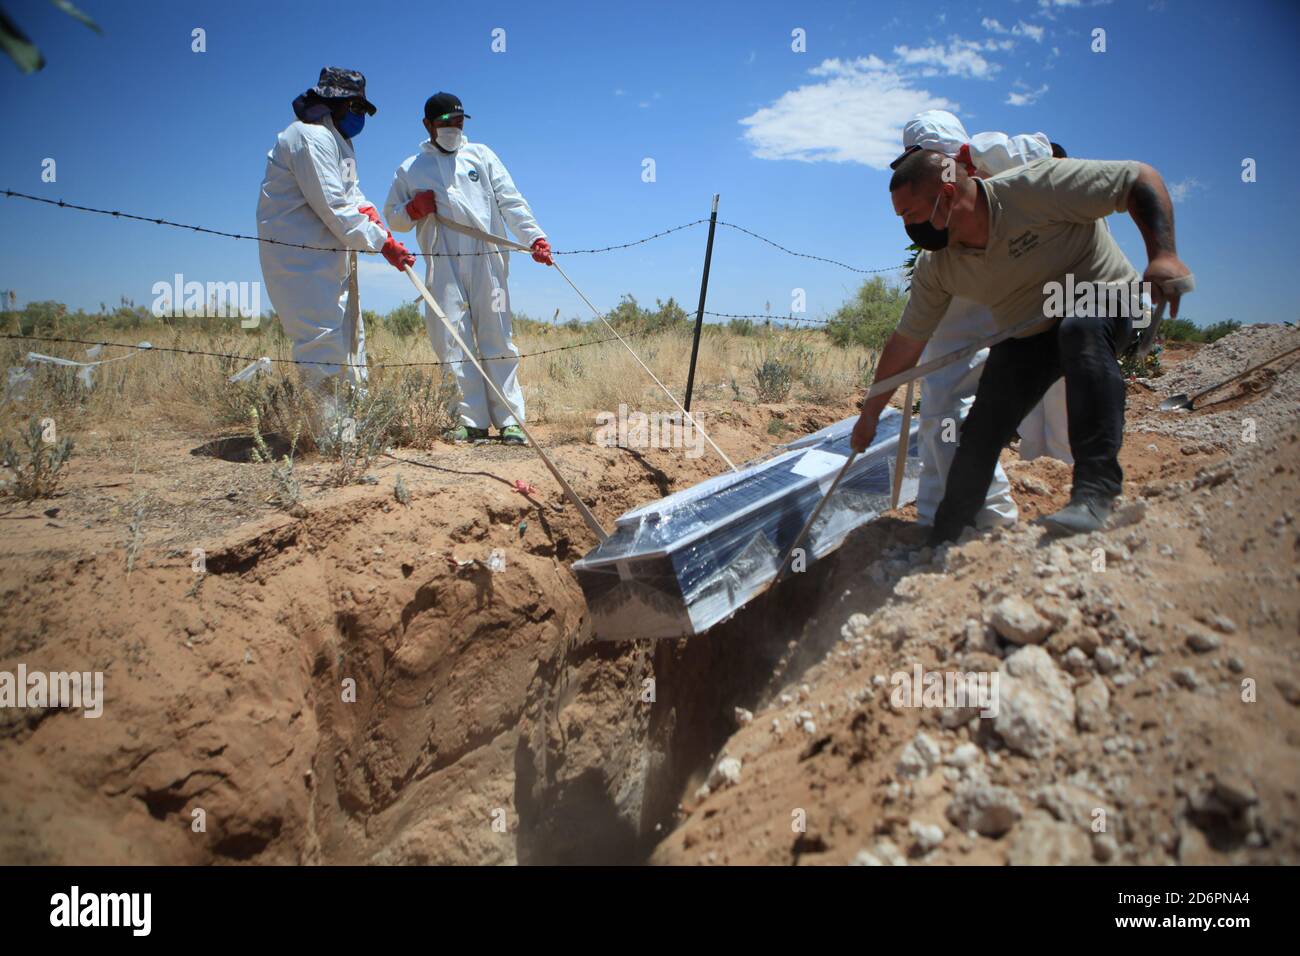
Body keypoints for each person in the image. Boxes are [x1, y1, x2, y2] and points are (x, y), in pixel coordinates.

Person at [854, 148, 1191, 540]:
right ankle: (948, 530)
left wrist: (1163, 254)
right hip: (1030, 330)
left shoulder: (1034, 189)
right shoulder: (939, 266)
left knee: (1079, 331)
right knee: (983, 426)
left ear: (946, 196)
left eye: (909, 215)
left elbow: (1140, 177)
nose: (907, 227)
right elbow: (906, 344)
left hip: (1102, 299)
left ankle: (1095, 493)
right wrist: (870, 416)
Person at [892, 110, 1074, 533]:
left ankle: (1035, 498)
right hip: (967, 276)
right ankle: (944, 516)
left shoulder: (999, 153)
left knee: (1053, 396)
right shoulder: (939, 245)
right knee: (943, 398)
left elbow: (1060, 159)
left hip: (1040, 282)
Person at [383, 92, 552, 446]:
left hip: (487, 257)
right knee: (451, 338)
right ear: (428, 125)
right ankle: (470, 420)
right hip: (441, 261)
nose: (453, 129)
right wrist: (414, 209)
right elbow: (393, 217)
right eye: (445, 123)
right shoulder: (411, 168)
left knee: (497, 335)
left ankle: (509, 420)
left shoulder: (482, 156)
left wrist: (534, 237)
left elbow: (511, 200)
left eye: (459, 122)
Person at [256, 67, 415, 425]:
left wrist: (370, 212)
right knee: (321, 341)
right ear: (333, 103)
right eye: (355, 107)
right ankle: (328, 431)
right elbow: (335, 206)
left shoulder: (340, 144)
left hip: (329, 257)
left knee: (349, 337)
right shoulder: (308, 138)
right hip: (299, 260)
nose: (360, 116)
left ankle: (353, 422)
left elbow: (351, 196)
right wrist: (383, 242)